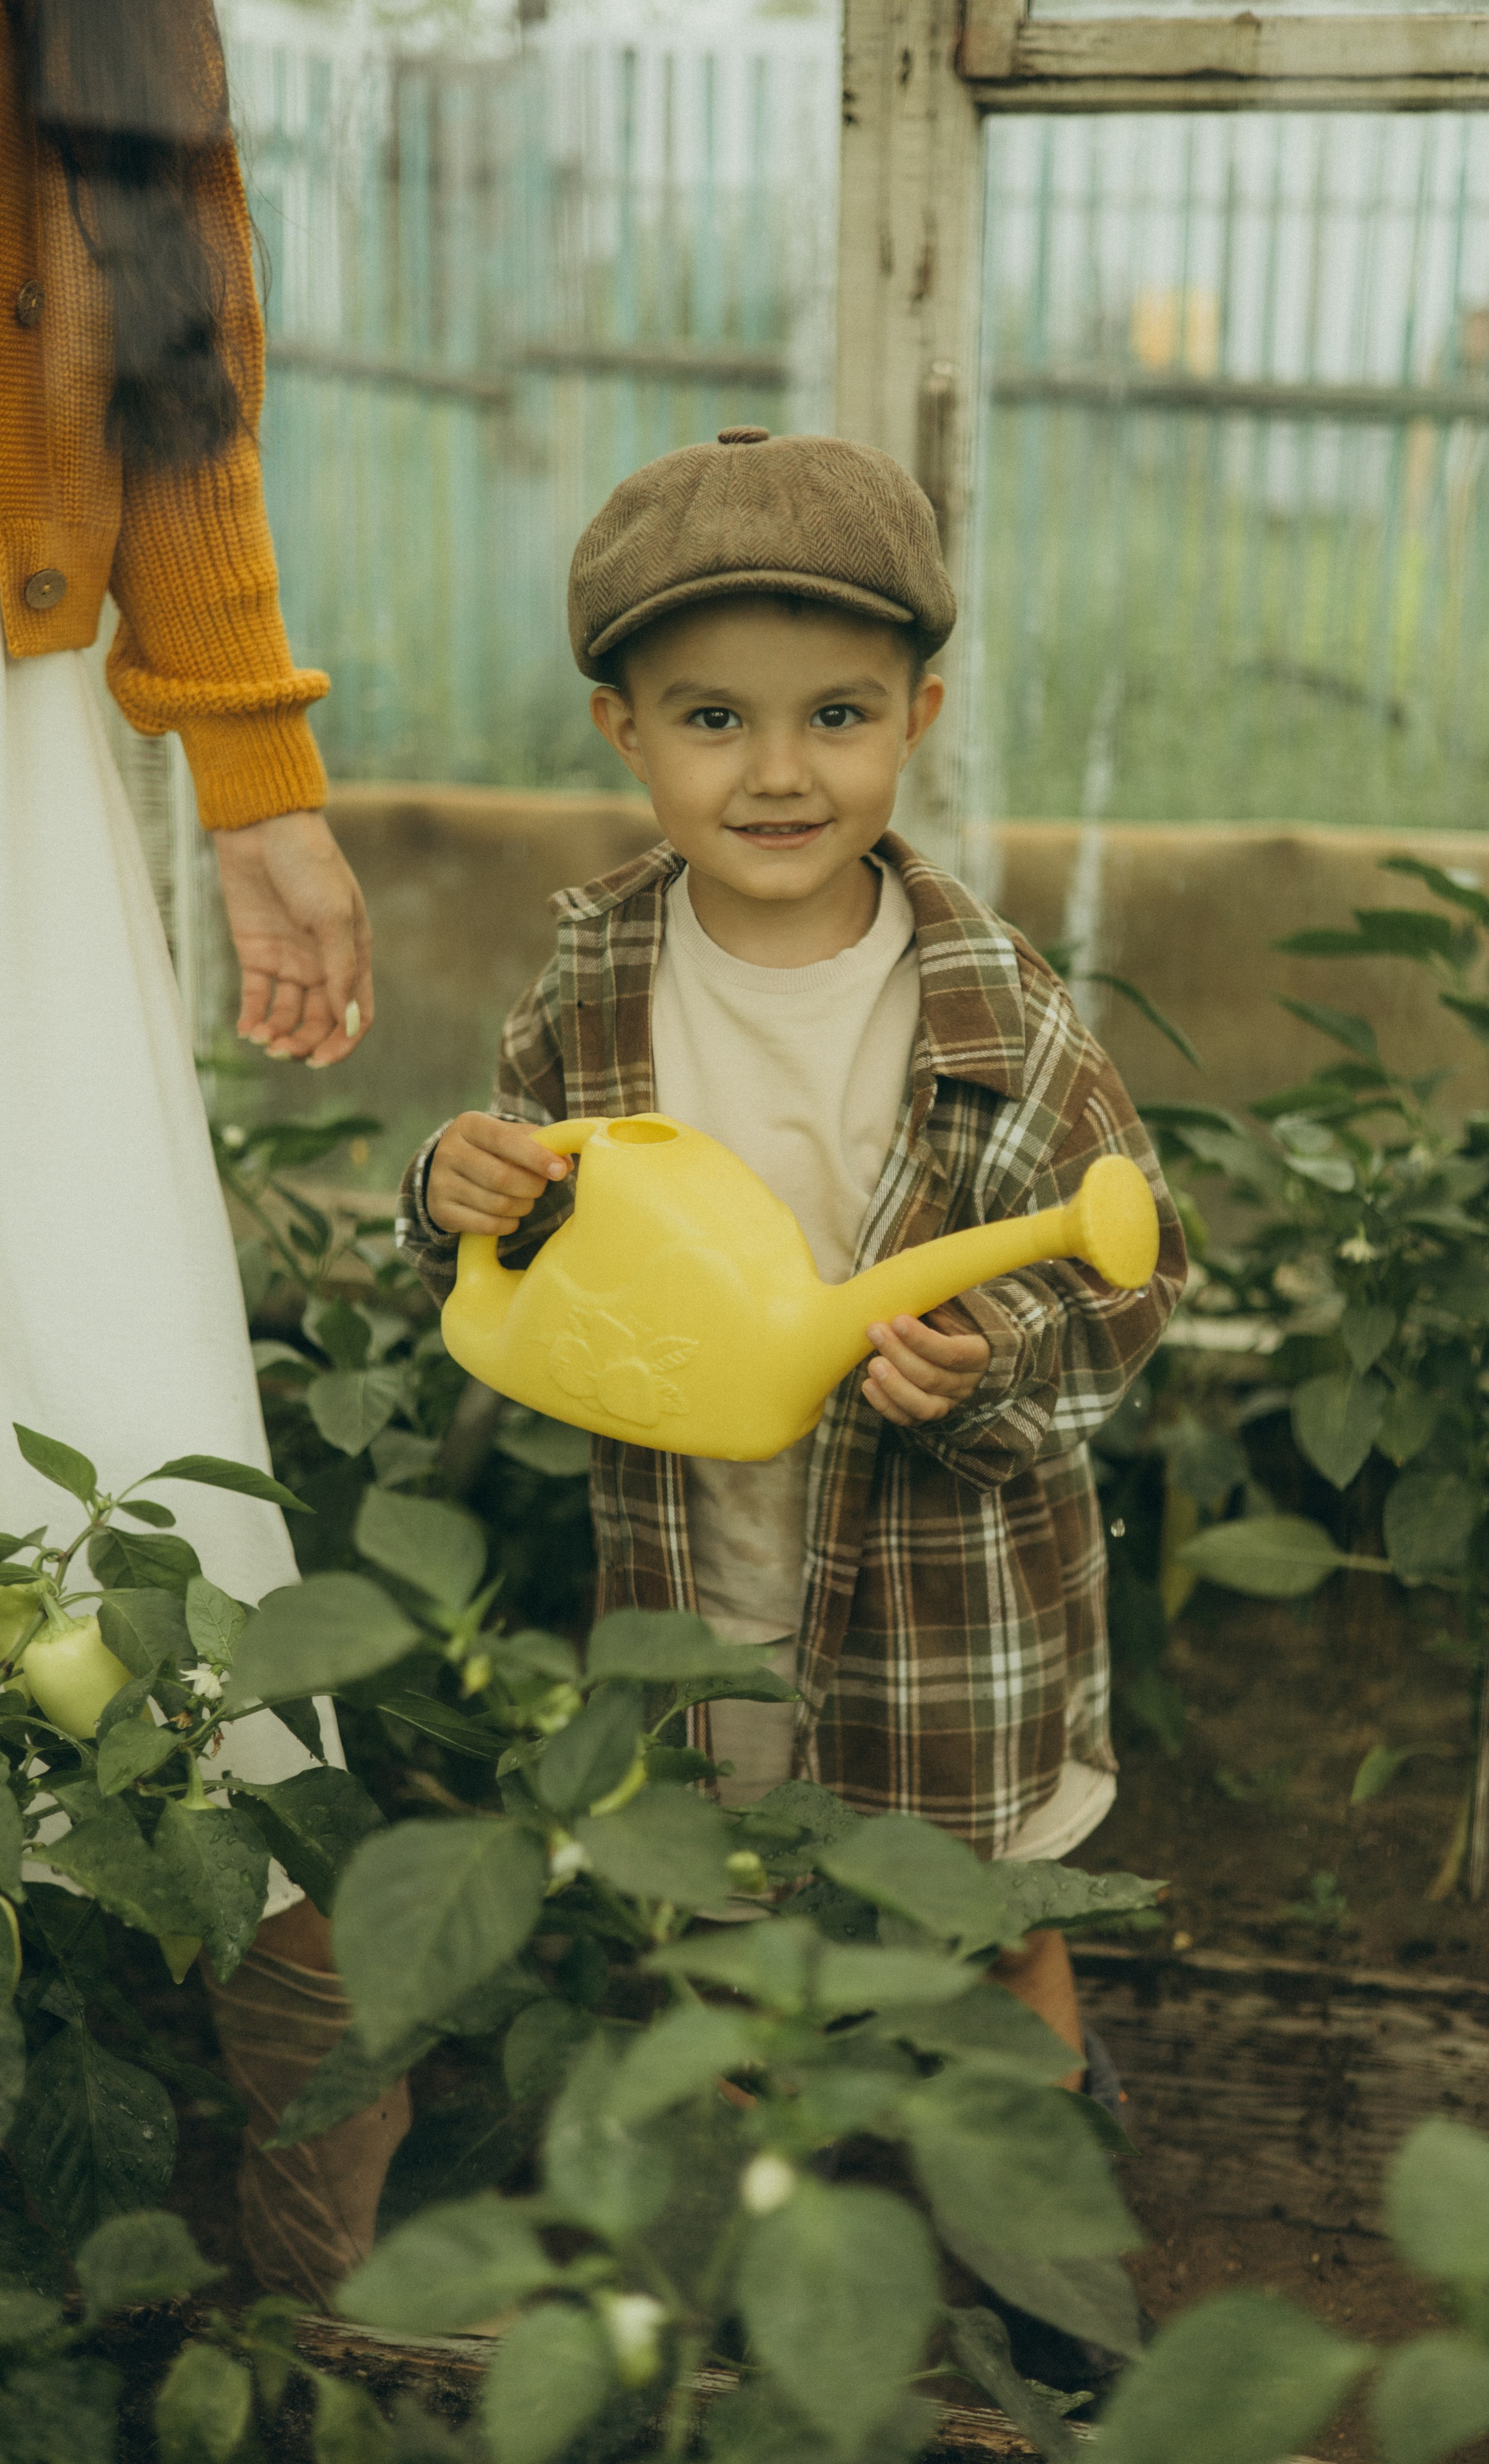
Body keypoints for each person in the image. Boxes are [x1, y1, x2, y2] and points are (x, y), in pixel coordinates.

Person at [399, 425, 1187, 2085]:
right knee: (728, 1905)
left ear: (919, 718)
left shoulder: (994, 1004)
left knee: (980, 1923)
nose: (777, 773)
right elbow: (520, 1249)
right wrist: (456, 1193)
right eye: (712, 719)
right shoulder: (593, 987)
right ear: (625, 732)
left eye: (836, 715)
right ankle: (784, 2232)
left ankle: (1041, 2247)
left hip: (938, 1588)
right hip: (695, 1565)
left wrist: (993, 1364)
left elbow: (1130, 1269)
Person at [0, 0, 405, 2300]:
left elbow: (174, 321)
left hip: (19, 737)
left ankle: (305, 2217)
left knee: (121, 1431)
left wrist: (255, 774)